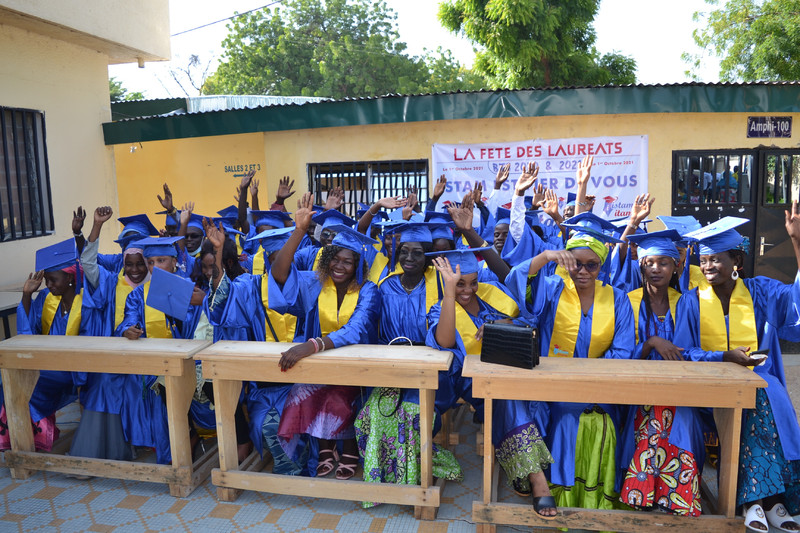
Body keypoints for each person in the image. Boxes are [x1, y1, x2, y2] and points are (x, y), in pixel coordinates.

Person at [673, 212, 800, 532]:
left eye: (716, 260)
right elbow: (683, 352)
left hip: (758, 383)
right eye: (704, 261)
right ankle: (765, 501)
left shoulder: (761, 292)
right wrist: (722, 357)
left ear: (737, 261)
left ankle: (757, 501)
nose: (708, 267)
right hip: (707, 388)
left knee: (763, 397)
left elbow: (795, 303)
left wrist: (797, 242)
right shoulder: (691, 301)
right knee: (760, 400)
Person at [506, 212, 636, 511]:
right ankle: (551, 487)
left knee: (601, 421)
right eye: (576, 262)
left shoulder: (618, 299)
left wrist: (588, 381)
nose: (583, 271)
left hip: (601, 387)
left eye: (592, 265)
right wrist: (547, 256)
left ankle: (594, 498)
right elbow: (517, 280)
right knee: (564, 419)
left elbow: (623, 351)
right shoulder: (553, 288)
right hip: (553, 386)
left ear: (601, 266)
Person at [426, 249, 558, 519]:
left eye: (472, 282)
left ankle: (527, 465)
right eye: (460, 283)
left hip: (513, 373)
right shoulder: (440, 307)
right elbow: (445, 341)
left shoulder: (491, 295)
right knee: (507, 399)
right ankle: (537, 478)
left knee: (527, 399)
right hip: (470, 382)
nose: (468, 289)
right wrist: (449, 293)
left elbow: (526, 318)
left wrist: (502, 324)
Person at [268, 192, 381, 481]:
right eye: (335, 259)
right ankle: (325, 447)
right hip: (321, 364)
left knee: (341, 397)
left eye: (348, 261)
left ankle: (349, 448)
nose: (340, 267)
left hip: (358, 370)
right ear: (327, 259)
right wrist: (299, 230)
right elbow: (280, 275)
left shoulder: (368, 291)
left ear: (358, 266)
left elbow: (356, 329)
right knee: (301, 390)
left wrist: (312, 344)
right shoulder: (317, 283)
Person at [354, 222, 462, 506]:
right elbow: (372, 330)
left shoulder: (437, 285)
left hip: (430, 371)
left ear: (427, 257)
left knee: (410, 412)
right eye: (404, 252)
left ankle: (409, 480)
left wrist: (449, 294)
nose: (410, 258)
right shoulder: (386, 285)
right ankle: (385, 479)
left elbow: (444, 340)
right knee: (373, 414)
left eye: (417, 253)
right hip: (391, 368)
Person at [617, 229, 704, 516]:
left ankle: (657, 493)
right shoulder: (627, 302)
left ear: (676, 266)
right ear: (641, 265)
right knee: (655, 411)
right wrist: (651, 343)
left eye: (663, 263)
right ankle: (660, 494)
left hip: (680, 388)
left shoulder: (687, 303)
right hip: (637, 387)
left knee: (677, 414)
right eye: (649, 263)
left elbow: (692, 350)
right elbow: (622, 354)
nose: (656, 269)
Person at [4, 238, 104, 452]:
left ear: (69, 278)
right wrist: (27, 296)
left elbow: (91, 343)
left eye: (53, 280)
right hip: (47, 363)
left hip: (76, 369)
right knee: (11, 380)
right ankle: (26, 435)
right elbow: (29, 331)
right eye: (47, 280)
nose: (48, 285)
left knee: (25, 382)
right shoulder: (46, 299)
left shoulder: (87, 304)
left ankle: (39, 434)